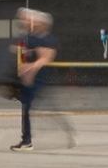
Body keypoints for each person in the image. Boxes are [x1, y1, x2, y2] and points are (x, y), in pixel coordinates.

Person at [11, 9, 72, 151]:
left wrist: (30, 70)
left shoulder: (48, 39)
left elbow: (45, 58)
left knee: (32, 107)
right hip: (30, 79)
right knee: (28, 107)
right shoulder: (30, 37)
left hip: (41, 79)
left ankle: (27, 140)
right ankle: (27, 139)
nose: (33, 23)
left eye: (36, 21)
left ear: (44, 24)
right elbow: (27, 52)